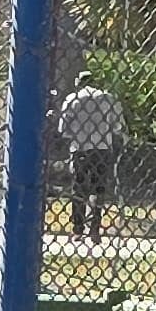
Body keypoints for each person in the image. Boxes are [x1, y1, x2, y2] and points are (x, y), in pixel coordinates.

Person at [56, 68, 124, 244]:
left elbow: (63, 130)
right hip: (102, 148)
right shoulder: (108, 99)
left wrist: (78, 131)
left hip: (79, 148)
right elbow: (117, 127)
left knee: (78, 188)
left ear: (79, 83)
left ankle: (78, 229)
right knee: (98, 188)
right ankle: (95, 229)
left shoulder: (72, 99)